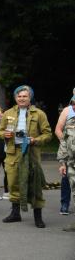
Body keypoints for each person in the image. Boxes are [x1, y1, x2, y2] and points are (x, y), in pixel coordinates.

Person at [0, 85, 52, 228]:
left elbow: (48, 134)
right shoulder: (8, 113)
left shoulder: (39, 114)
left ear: (30, 98)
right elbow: (0, 131)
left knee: (34, 183)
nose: (21, 98)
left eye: (24, 96)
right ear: (16, 98)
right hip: (12, 152)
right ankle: (15, 214)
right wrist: (5, 134)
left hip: (31, 152)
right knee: (13, 182)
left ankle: (38, 217)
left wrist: (35, 140)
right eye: (19, 96)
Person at [56, 90, 75, 231]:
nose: (74, 107)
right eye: (73, 104)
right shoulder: (70, 121)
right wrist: (62, 162)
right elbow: (63, 141)